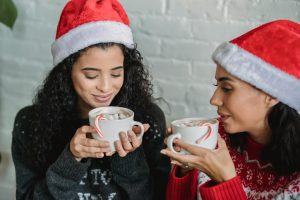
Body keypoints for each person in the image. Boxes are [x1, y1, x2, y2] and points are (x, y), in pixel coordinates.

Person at [11, 0, 170, 199]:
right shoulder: (31, 123)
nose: (105, 87)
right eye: (91, 76)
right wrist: (71, 159)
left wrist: (129, 159)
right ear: (66, 72)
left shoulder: (147, 121)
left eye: (115, 74)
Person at [161, 19, 300, 199]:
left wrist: (225, 182)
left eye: (227, 88)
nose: (214, 100)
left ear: (271, 95)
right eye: (216, 86)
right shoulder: (214, 137)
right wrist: (186, 167)